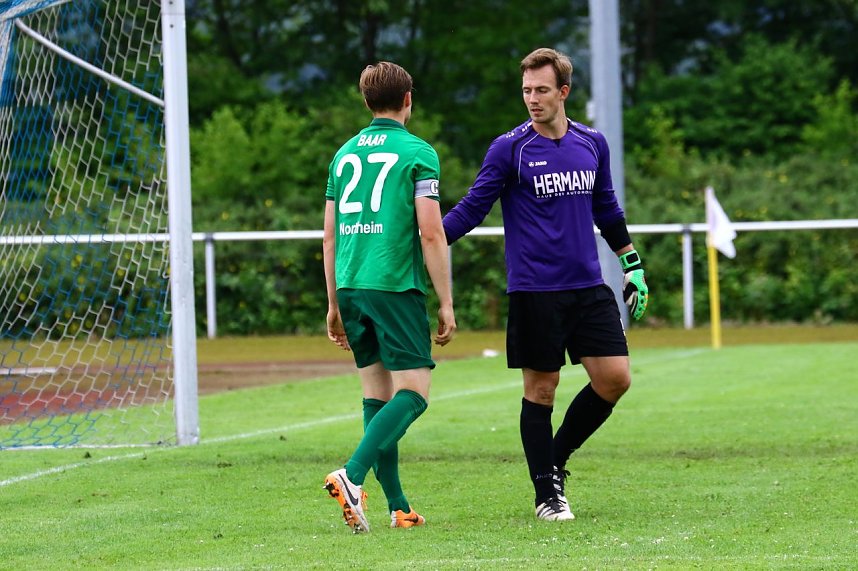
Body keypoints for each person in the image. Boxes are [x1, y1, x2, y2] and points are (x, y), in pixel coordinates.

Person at [442, 48, 648, 521]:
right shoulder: (509, 149)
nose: (532, 99)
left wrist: (631, 263)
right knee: (541, 390)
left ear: (563, 92)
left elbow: (606, 207)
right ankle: (546, 495)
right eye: (526, 91)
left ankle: (552, 460)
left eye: (541, 90)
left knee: (615, 379)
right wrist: (425, 243)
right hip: (535, 290)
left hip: (588, 286)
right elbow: (472, 208)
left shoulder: (592, 143)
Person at [322, 61, 456, 533]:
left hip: (351, 284)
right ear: (407, 100)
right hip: (393, 285)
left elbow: (329, 236)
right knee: (414, 394)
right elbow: (431, 232)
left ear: (366, 101)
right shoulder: (418, 152)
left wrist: (334, 304)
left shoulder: (343, 155)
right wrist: (446, 301)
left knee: (377, 398)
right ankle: (352, 475)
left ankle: (398, 507)